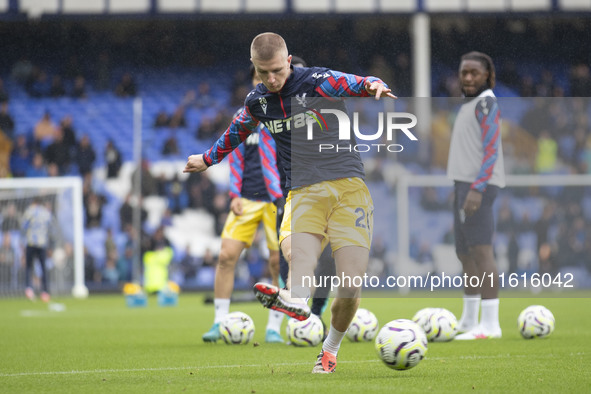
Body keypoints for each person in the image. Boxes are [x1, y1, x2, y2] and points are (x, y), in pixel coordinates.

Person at [184, 32, 394, 373]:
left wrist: (374, 85)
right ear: (254, 67)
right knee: (298, 251)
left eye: (277, 71)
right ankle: (295, 298)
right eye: (263, 72)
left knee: (351, 285)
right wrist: (207, 159)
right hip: (303, 189)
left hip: (348, 187)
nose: (271, 79)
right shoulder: (258, 101)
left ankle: (329, 350)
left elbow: (354, 82)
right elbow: (236, 131)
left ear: (289, 60)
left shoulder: (317, 82)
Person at [201, 65, 285, 344]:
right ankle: (218, 321)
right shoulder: (243, 117)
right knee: (226, 256)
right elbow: (235, 157)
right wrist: (234, 195)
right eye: (257, 77)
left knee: (278, 262)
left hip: (278, 200)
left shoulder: (285, 115)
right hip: (246, 198)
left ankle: (274, 326)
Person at [446, 51, 505, 340]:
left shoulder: (486, 103)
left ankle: (490, 324)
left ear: (487, 76)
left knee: (481, 251)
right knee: (464, 252)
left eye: (474, 73)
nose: (467, 78)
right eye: (463, 72)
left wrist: (477, 189)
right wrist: (457, 188)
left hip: (478, 187)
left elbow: (491, 149)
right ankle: (469, 320)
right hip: (464, 186)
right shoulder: (469, 105)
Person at [21, 197, 58, 302]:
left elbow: (23, 227)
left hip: (31, 242)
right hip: (42, 243)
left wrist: (22, 243)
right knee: (43, 267)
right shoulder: (46, 213)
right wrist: (52, 246)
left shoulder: (29, 212)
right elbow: (52, 230)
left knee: (29, 266)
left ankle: (29, 288)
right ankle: (45, 292)